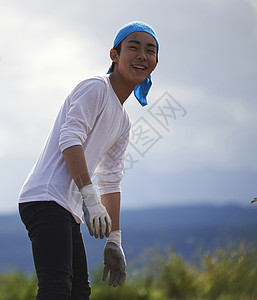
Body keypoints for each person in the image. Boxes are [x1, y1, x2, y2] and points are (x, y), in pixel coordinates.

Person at [18, 21, 159, 300]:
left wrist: (114, 239)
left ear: (155, 62)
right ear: (114, 55)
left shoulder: (123, 121)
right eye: (134, 47)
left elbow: (111, 178)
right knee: (56, 287)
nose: (143, 55)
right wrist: (91, 201)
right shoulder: (95, 88)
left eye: (150, 50)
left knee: (80, 292)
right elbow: (70, 140)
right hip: (45, 198)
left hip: (65, 208)